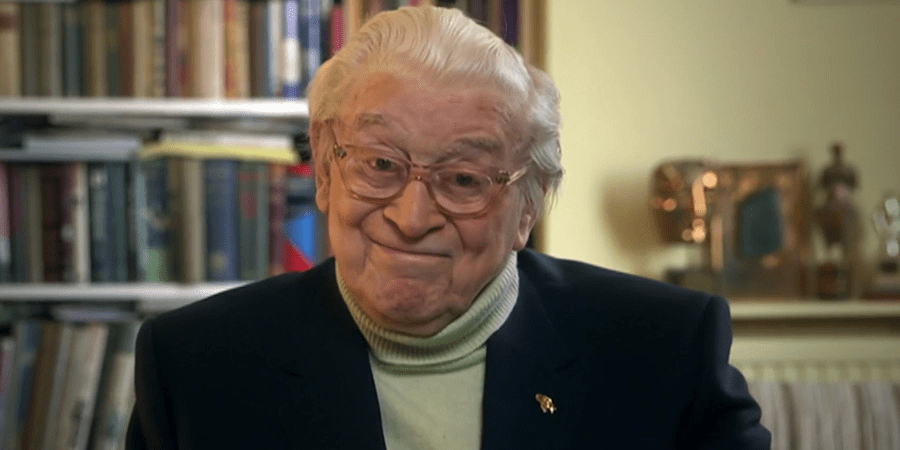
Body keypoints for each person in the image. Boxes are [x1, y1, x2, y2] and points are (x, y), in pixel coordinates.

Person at [127, 6, 770, 450]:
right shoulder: (198, 366)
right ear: (324, 167)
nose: (412, 219)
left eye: (463, 179)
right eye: (381, 165)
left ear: (528, 206)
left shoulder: (665, 349)